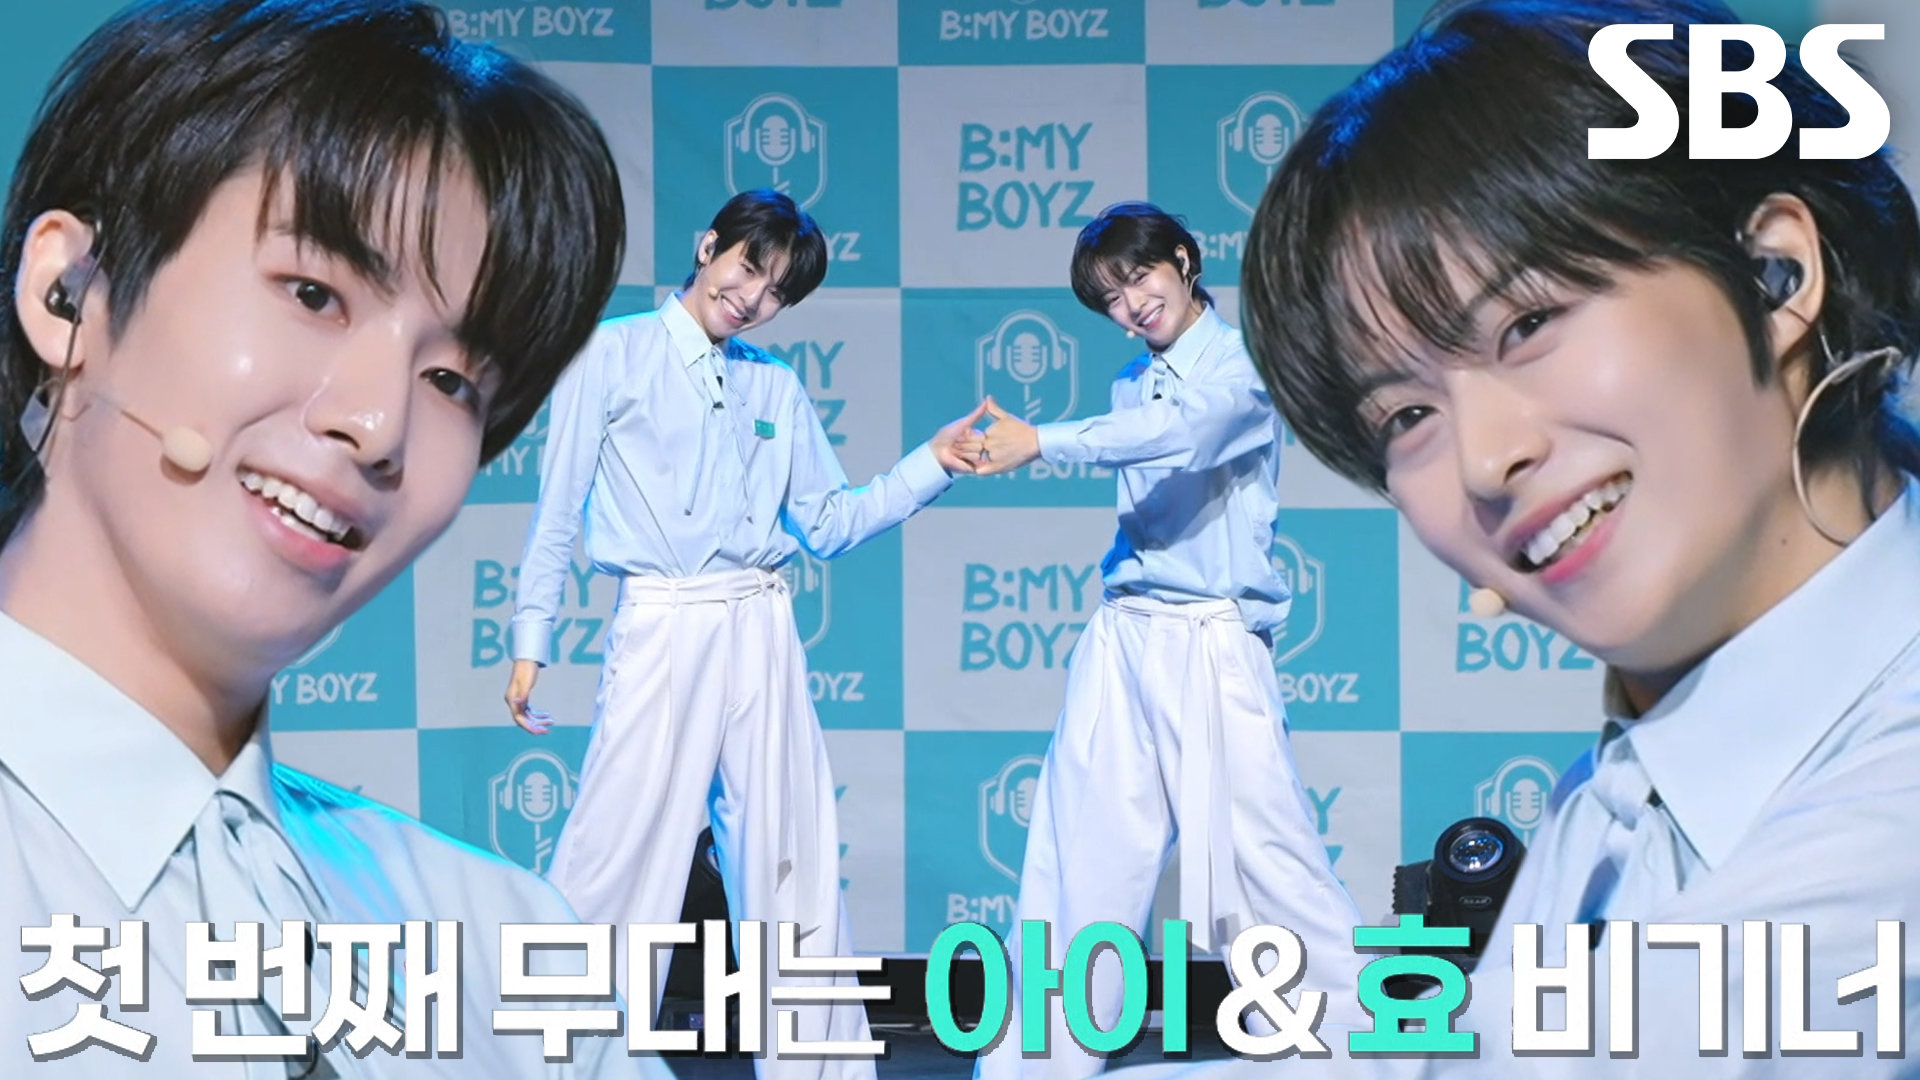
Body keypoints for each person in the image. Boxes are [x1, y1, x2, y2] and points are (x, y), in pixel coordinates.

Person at [1232, 0, 1920, 1072]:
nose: (1484, 459)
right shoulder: (1619, 790)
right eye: (1405, 418)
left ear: (1775, 276)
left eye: (1528, 324)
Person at [0, 0, 647, 1076]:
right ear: (69, 295)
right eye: (313, 294)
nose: (380, 424)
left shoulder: (504, 947)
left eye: (454, 382)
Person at [505, 188, 986, 1080]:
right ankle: (555, 1066)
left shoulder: (775, 385)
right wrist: (532, 636)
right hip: (665, 619)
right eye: (749, 267)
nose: (753, 297)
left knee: (791, 858)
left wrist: (932, 464)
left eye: (776, 291)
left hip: (762, 622)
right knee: (617, 856)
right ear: (708, 246)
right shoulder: (612, 355)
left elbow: (829, 524)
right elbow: (558, 510)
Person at [969, 202, 1364, 1080]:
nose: (1131, 304)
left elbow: (1181, 437)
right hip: (1124, 632)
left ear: (1184, 261)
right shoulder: (1130, 383)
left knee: (1265, 859)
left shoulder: (1244, 371)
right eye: (1111, 298)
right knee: (1081, 854)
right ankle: (1035, 1064)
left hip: (1210, 639)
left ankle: (1349, 1052)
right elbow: (1144, 434)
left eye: (1139, 277)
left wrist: (1042, 442)